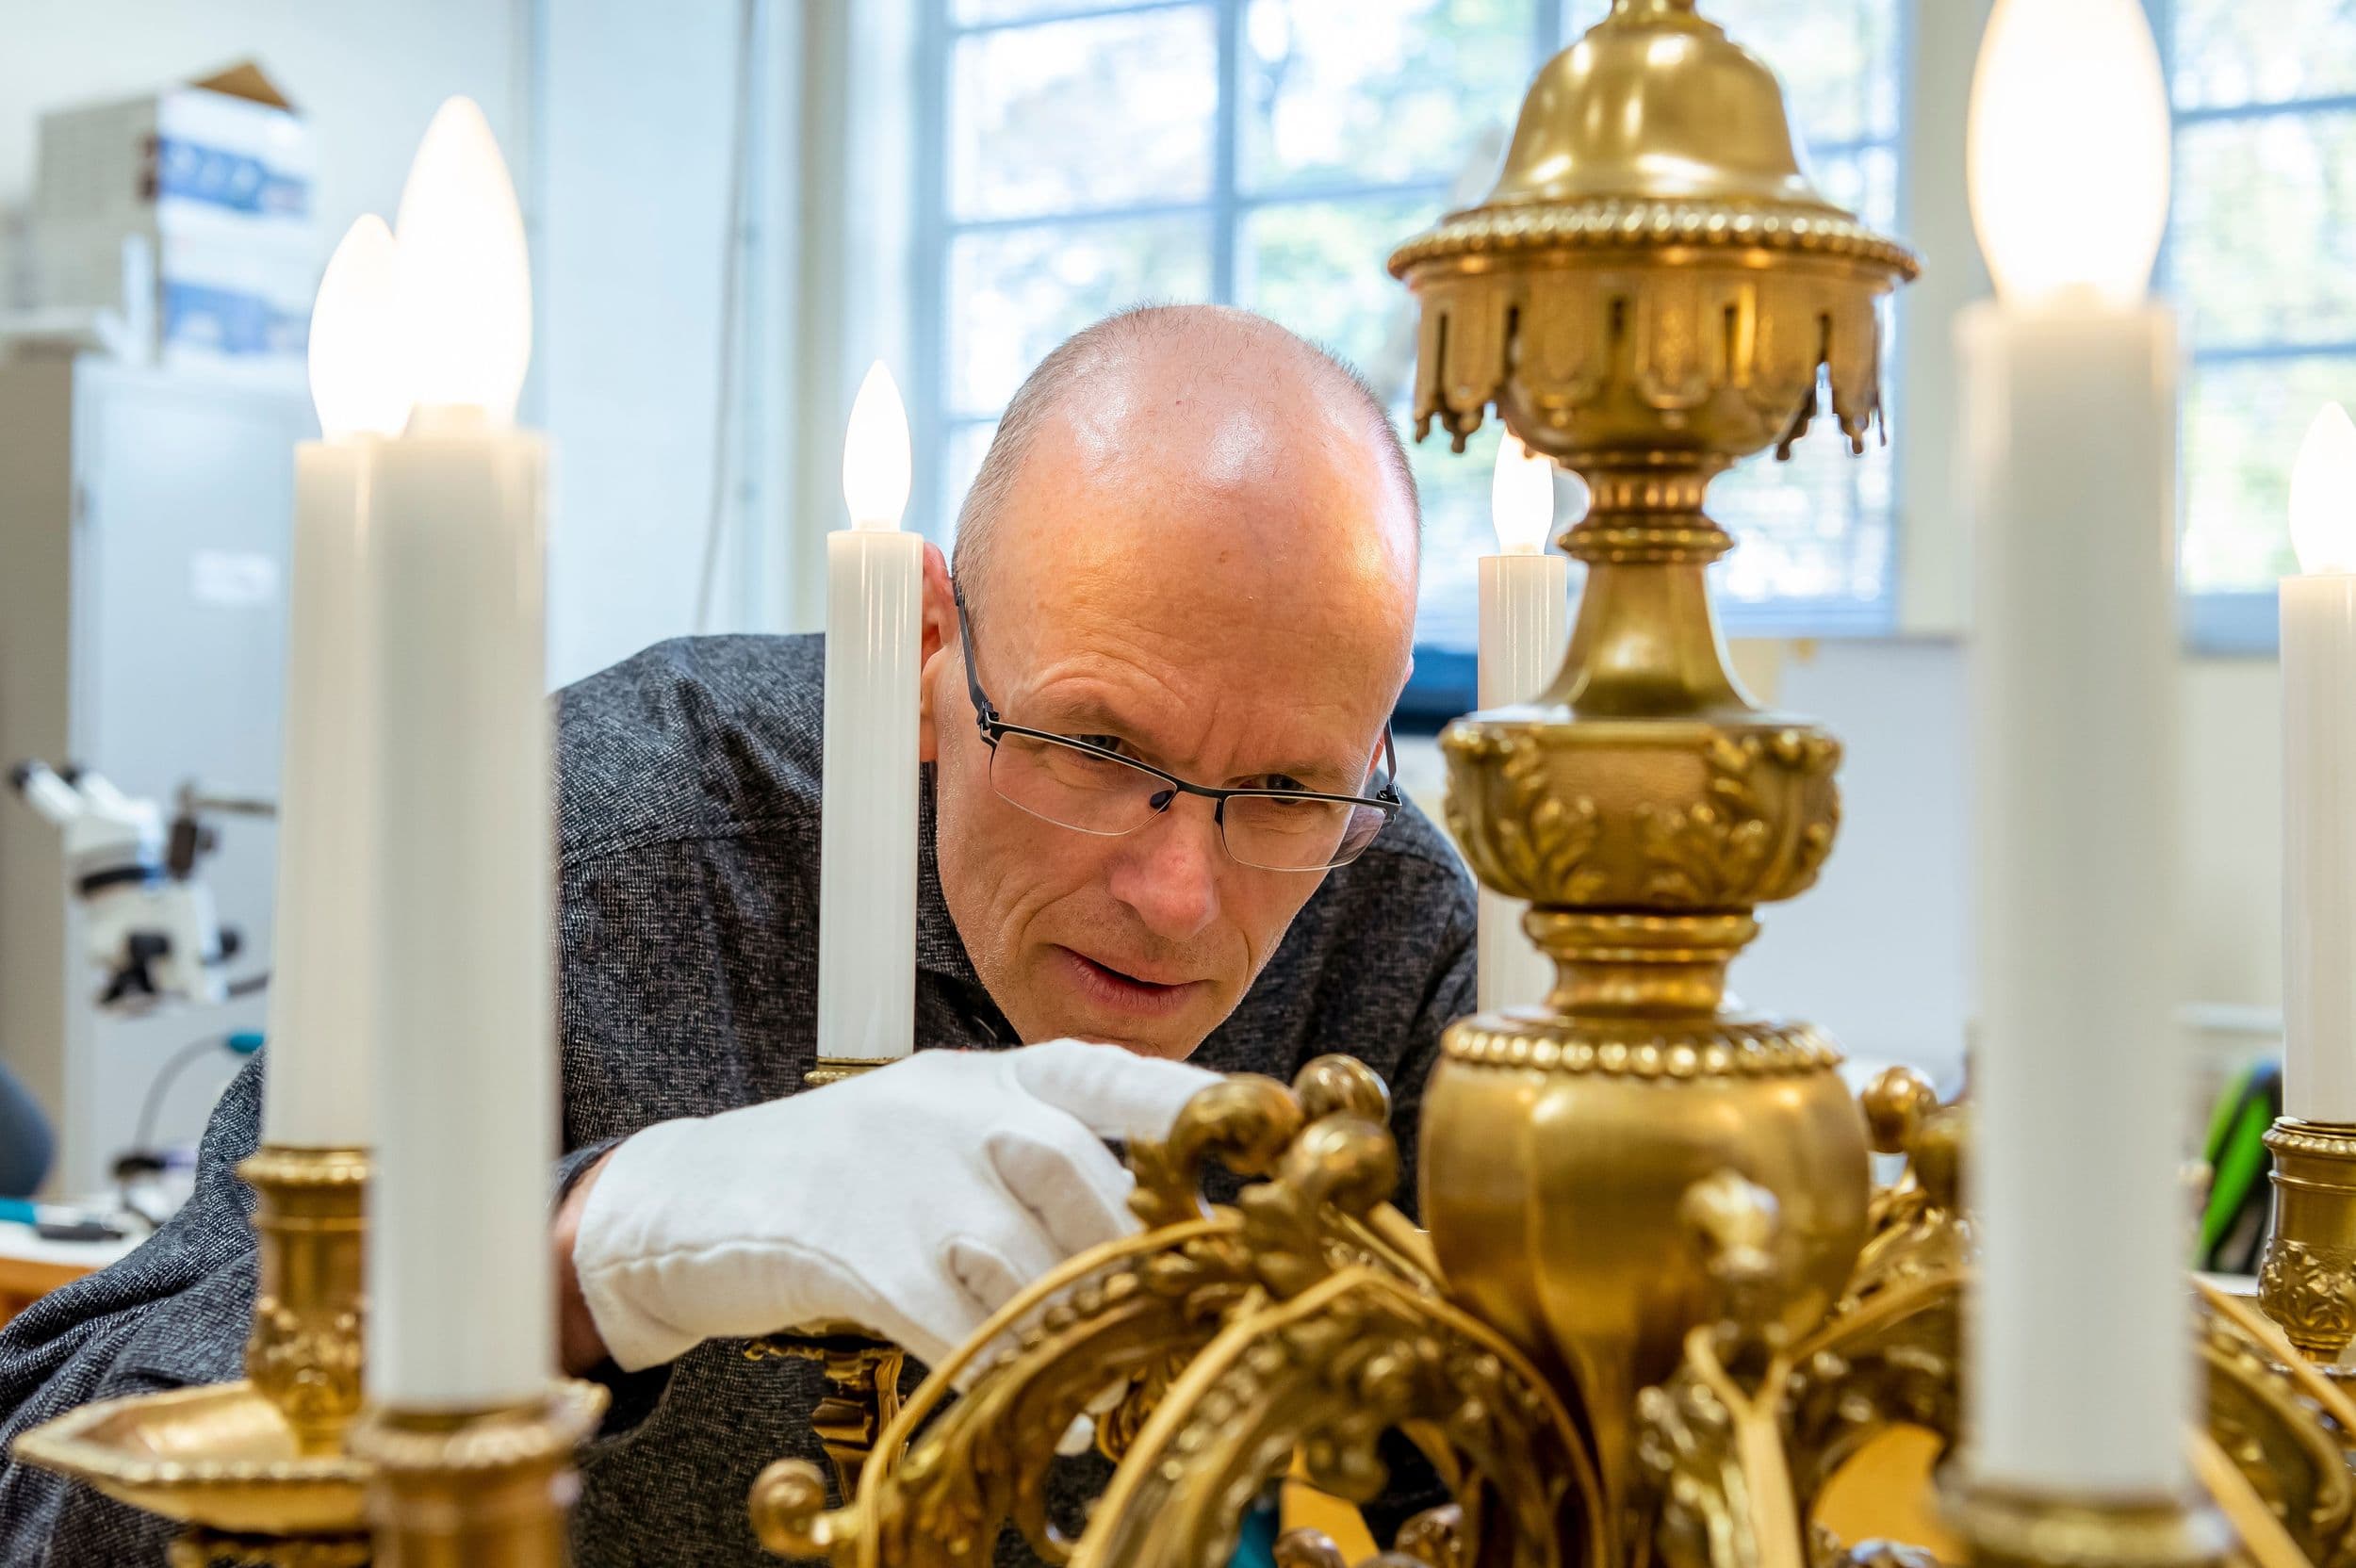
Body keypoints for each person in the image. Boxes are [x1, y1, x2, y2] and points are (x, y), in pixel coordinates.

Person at [0, 305, 1477, 1566]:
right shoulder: (585, 850)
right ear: (921, 650)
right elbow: (50, 1488)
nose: (1177, 895)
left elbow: (1509, 1480)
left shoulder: (1385, 912)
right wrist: (590, 1252)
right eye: (1090, 744)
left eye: (1288, 788)